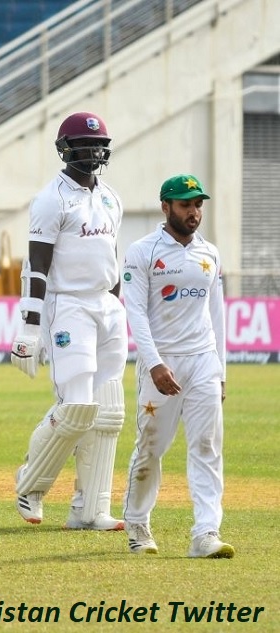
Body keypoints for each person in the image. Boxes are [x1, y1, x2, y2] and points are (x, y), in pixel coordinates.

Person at [10, 111, 127, 531]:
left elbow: (110, 258)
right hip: (67, 307)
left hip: (107, 308)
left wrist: (115, 306)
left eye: (99, 145)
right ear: (65, 149)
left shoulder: (112, 197)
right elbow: (36, 267)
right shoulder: (50, 200)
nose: (94, 151)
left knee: (108, 411)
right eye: (84, 144)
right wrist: (29, 326)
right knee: (78, 406)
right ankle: (31, 483)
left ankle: (90, 509)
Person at [121, 174, 233, 559]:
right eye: (185, 204)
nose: (194, 212)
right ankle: (137, 524)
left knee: (206, 446)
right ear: (165, 206)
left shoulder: (209, 253)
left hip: (203, 361)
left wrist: (221, 371)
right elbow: (134, 310)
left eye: (198, 204)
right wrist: (153, 363)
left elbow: (216, 315)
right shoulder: (142, 251)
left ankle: (206, 532)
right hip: (162, 363)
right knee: (152, 446)